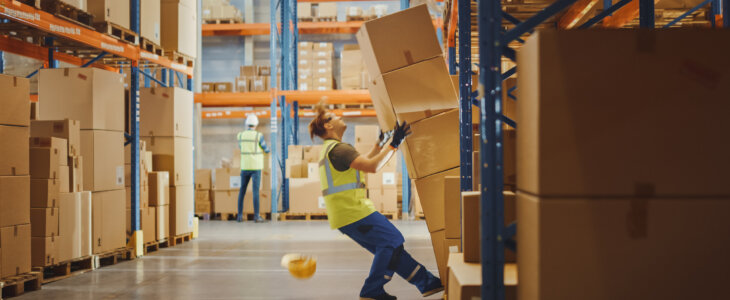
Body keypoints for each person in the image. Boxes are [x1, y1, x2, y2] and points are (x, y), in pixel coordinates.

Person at [309, 104, 443, 300]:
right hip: (353, 212)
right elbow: (372, 166)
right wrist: (394, 144)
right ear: (328, 126)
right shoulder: (339, 149)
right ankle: (371, 291)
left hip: (346, 214)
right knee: (392, 240)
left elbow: (363, 161)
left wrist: (381, 144)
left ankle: (427, 282)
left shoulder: (332, 149)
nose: (340, 117)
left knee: (391, 247)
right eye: (333, 116)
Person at [236, 114, 270, 223]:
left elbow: (241, 147)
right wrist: (267, 150)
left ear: (247, 124)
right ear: (256, 125)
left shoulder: (240, 135)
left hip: (245, 166)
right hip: (256, 167)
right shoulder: (258, 136)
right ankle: (256, 216)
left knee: (242, 191)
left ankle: (240, 216)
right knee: (255, 192)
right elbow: (265, 148)